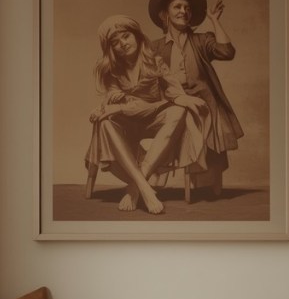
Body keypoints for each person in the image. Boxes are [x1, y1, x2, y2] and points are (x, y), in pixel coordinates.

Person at [85, 14, 208, 213]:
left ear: (137, 36)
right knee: (105, 123)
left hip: (153, 119)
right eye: (115, 42)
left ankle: (135, 188)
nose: (123, 44)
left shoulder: (155, 62)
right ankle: (145, 187)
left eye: (126, 36)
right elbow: (110, 103)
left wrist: (187, 99)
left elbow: (173, 93)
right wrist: (104, 108)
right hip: (127, 125)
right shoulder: (112, 71)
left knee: (178, 111)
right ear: (111, 49)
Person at [147, 0, 244, 194]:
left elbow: (227, 52)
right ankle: (151, 179)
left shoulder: (202, 40)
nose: (184, 11)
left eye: (187, 8)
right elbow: (147, 79)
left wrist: (215, 21)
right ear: (165, 14)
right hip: (170, 101)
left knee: (206, 115)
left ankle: (206, 185)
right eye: (178, 7)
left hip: (204, 100)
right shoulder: (154, 47)